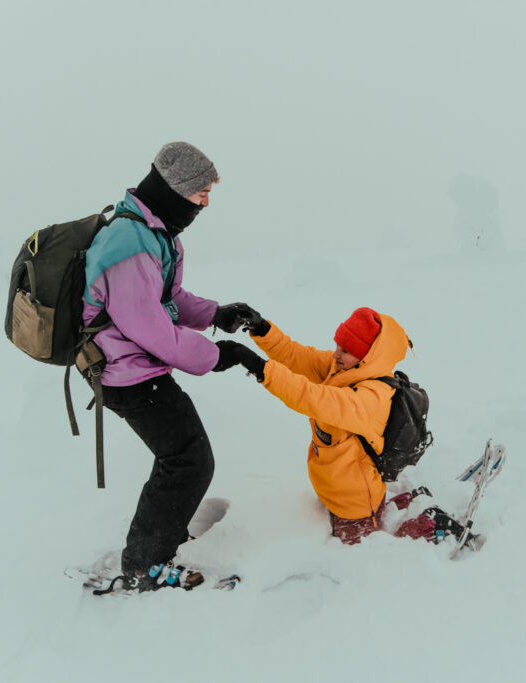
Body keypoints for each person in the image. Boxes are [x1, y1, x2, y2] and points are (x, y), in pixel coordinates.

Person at [81, 142, 255, 592]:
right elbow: (152, 330)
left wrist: (216, 314)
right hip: (124, 372)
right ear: (175, 192)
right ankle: (144, 563)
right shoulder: (127, 242)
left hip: (140, 366)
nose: (205, 203)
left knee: (185, 457)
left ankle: (158, 540)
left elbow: (167, 301)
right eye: (201, 193)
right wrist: (219, 356)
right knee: (187, 460)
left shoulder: (155, 234)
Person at [214, 306, 475, 546]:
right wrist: (260, 327)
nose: (335, 355)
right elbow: (296, 356)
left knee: (370, 550)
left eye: (345, 350)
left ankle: (428, 525)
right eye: (338, 346)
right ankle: (404, 501)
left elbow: (311, 398)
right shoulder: (342, 368)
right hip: (336, 488)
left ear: (366, 356)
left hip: (355, 503)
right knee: (368, 529)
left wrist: (252, 362)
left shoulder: (370, 399)